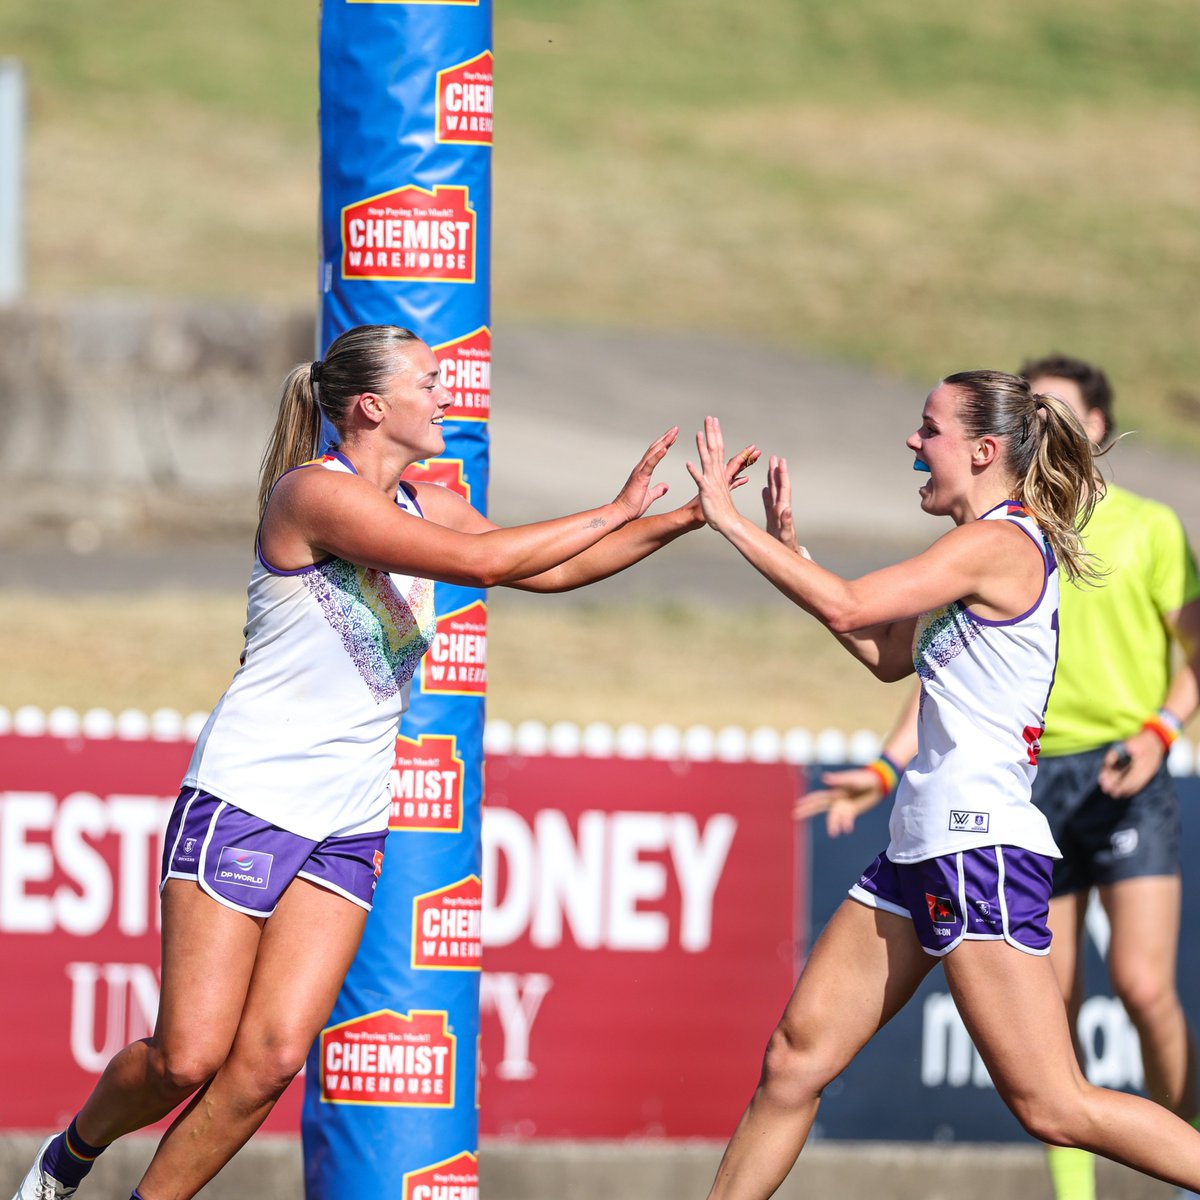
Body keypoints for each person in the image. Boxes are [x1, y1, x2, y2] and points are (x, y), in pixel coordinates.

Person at [10, 323, 759, 1200]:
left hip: (351, 817)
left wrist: (688, 517)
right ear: (370, 406)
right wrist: (616, 506)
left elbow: (554, 570)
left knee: (272, 1061)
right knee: (187, 1057)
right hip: (249, 798)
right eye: (428, 383)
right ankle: (65, 1161)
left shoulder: (428, 502)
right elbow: (485, 562)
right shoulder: (312, 495)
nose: (446, 397)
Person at [685, 370, 1200, 1199]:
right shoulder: (976, 548)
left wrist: (730, 520)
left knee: (1055, 1105)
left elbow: (850, 607)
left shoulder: (999, 543)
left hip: (976, 848)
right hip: (921, 850)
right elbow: (889, 654)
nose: (913, 443)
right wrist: (792, 552)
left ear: (984, 451)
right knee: (794, 1062)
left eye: (929, 430)